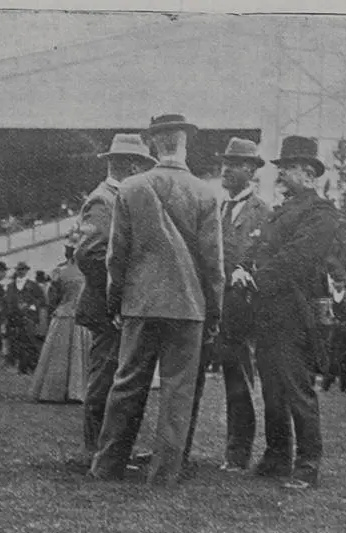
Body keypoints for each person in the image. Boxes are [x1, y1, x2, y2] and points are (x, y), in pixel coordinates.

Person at [89, 114, 224, 486]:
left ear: (152, 145)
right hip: (189, 306)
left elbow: (116, 256)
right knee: (178, 391)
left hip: (141, 302)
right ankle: (164, 474)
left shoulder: (130, 189)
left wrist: (115, 301)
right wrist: (214, 311)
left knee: (127, 383)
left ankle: (107, 465)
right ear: (185, 143)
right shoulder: (206, 193)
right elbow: (214, 264)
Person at [242, 134, 338, 490]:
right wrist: (245, 268)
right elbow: (257, 249)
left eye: (287, 168)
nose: (280, 175)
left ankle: (308, 463)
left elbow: (299, 258)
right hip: (267, 309)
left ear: (309, 172)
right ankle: (277, 455)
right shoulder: (280, 211)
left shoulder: (321, 212)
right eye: (280, 168)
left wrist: (256, 277)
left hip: (294, 311)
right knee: (271, 387)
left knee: (296, 388)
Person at [72, 132, 157, 468]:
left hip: (120, 306)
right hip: (109, 308)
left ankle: (114, 449)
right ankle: (98, 451)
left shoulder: (121, 199)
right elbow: (90, 254)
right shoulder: (103, 200)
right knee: (105, 381)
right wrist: (122, 288)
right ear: (130, 165)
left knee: (120, 380)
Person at [187, 137, 269, 472]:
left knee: (238, 383)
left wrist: (242, 269)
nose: (226, 169)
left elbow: (261, 258)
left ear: (250, 170)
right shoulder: (215, 208)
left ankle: (237, 454)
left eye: (234, 164)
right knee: (190, 380)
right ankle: (181, 447)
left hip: (238, 311)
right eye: (225, 163)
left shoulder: (264, 213)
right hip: (206, 307)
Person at [31, 235, 91, 403]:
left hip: (63, 315)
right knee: (78, 356)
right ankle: (78, 391)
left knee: (57, 356)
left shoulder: (59, 272)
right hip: (81, 317)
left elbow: (52, 299)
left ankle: (54, 391)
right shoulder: (87, 272)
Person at [6, 261, 46, 374]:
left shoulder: (33, 285)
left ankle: (33, 366)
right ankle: (22, 367)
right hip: (15, 319)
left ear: (26, 271)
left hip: (29, 318)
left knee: (30, 341)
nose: (21, 272)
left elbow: (41, 300)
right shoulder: (11, 286)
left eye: (23, 269)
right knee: (17, 342)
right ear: (16, 271)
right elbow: (8, 301)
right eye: (19, 269)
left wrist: (30, 306)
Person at [322, 273, 346, 392]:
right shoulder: (330, 297)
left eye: (340, 282)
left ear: (344, 283)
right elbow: (326, 313)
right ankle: (327, 384)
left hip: (345, 330)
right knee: (332, 357)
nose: (337, 284)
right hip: (334, 329)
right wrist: (329, 316)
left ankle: (344, 385)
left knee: (345, 358)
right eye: (336, 282)